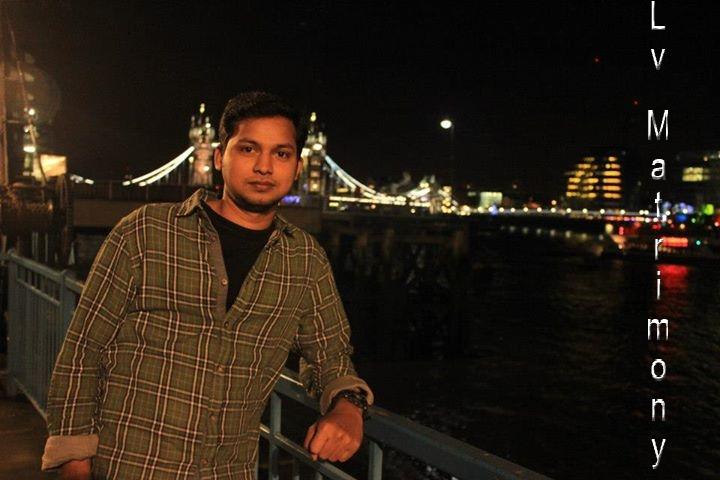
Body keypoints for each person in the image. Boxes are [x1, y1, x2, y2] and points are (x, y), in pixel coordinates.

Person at [42, 91, 374, 479]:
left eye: (281, 154)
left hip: (227, 471)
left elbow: (331, 354)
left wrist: (348, 407)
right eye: (248, 149)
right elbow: (83, 349)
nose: (264, 166)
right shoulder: (146, 231)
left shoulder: (305, 259)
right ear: (218, 157)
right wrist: (74, 460)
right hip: (128, 466)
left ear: (298, 166)